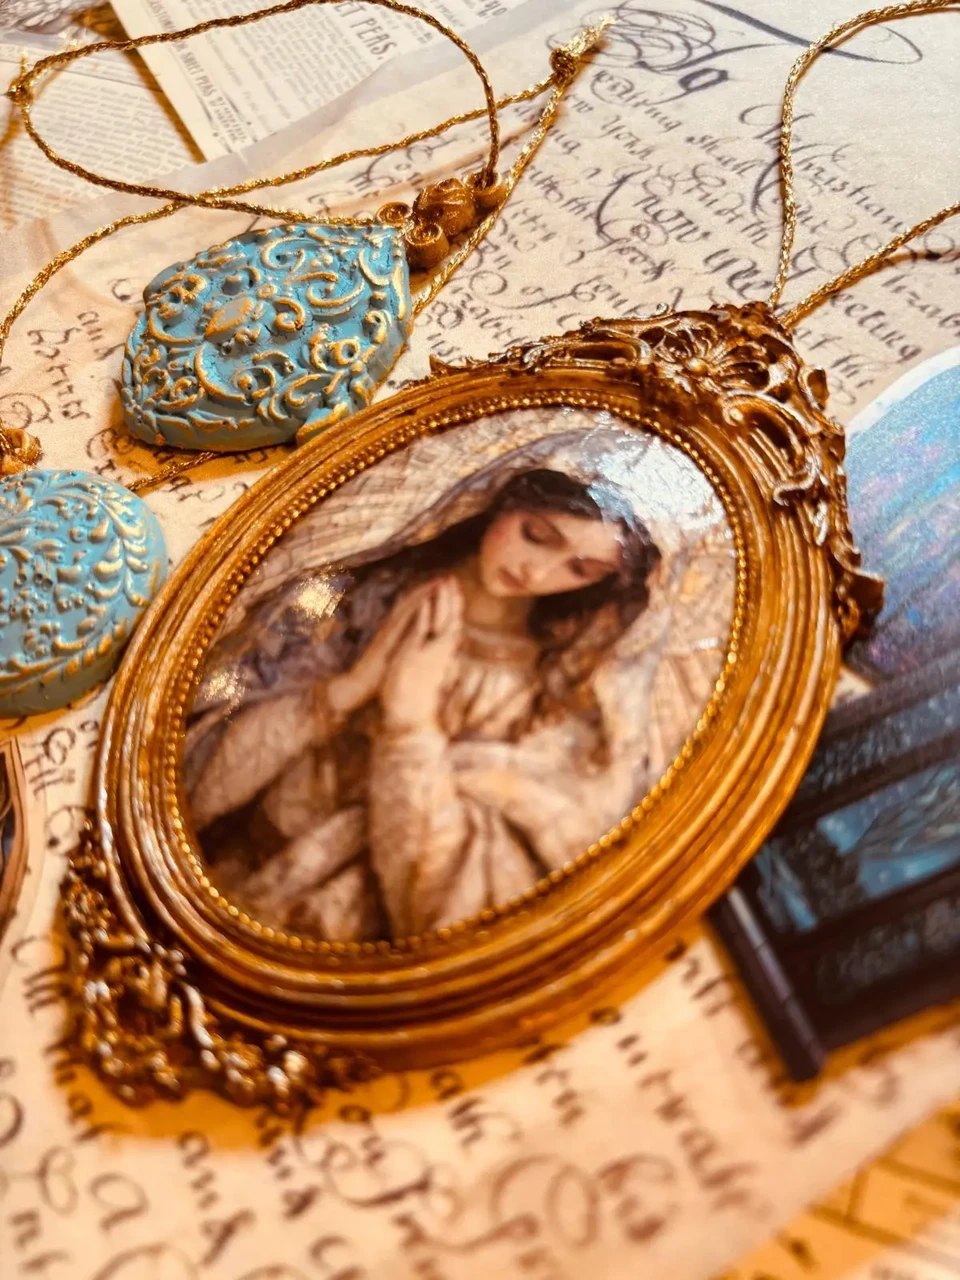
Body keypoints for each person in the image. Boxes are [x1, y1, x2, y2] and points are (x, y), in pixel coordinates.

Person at [184, 439, 730, 942]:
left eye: (580, 568)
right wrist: (348, 690)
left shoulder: (547, 694)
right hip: (227, 871)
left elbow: (452, 904)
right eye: (537, 535)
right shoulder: (368, 594)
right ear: (502, 503)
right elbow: (200, 768)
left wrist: (411, 722)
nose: (537, 572)